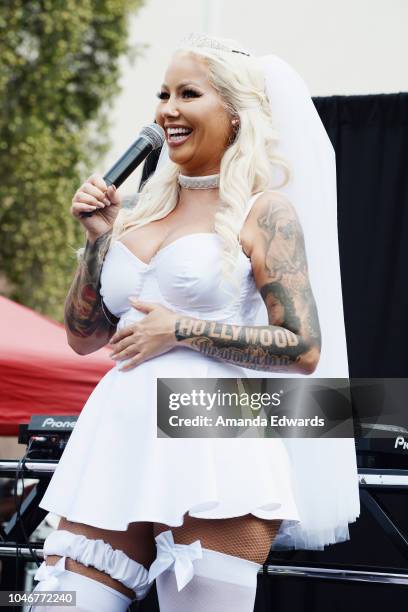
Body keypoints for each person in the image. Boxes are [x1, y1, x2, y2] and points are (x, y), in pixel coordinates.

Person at [30, 33, 360, 612]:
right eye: (162, 94)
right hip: (117, 443)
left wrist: (179, 329)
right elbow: (84, 337)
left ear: (234, 114)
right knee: (53, 602)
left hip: (213, 436)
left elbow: (304, 347)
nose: (168, 109)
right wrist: (97, 242)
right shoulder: (134, 213)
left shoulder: (266, 211)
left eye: (188, 93)